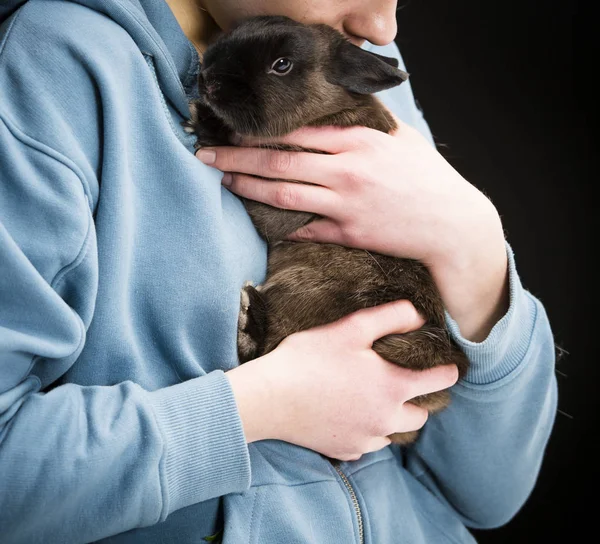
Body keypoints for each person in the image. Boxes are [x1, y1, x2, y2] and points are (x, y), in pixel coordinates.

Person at [0, 0, 557, 542]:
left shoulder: (346, 59)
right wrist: (260, 406)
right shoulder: (55, 63)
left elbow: (488, 496)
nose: (382, 28)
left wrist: (473, 246)